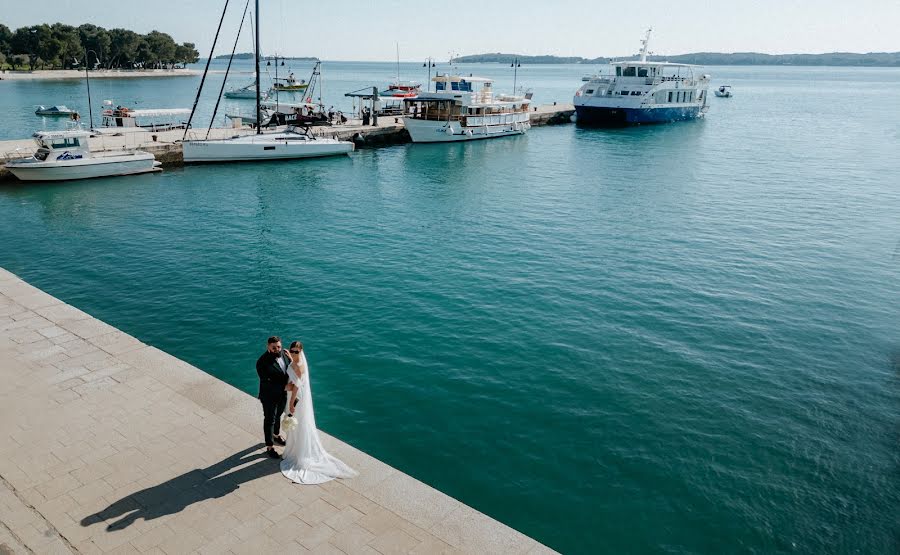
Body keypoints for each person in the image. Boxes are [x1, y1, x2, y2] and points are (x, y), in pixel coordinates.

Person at [280, 341, 357, 484]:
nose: (294, 353)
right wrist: (290, 357)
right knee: (296, 424)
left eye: (297, 351)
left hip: (296, 399)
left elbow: (296, 386)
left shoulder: (300, 367)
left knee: (300, 423)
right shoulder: (295, 362)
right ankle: (293, 448)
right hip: (294, 396)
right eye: (293, 350)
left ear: (301, 351)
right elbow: (294, 367)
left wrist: (291, 404)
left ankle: (300, 454)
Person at [256, 336, 291, 459]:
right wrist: (285, 387)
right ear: (268, 347)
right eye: (274, 347)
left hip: (282, 395)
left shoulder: (286, 354)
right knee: (269, 419)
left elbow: (290, 370)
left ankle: (276, 435)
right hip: (269, 396)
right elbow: (267, 382)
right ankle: (269, 446)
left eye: (279, 347)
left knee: (278, 415)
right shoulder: (261, 362)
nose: (277, 349)